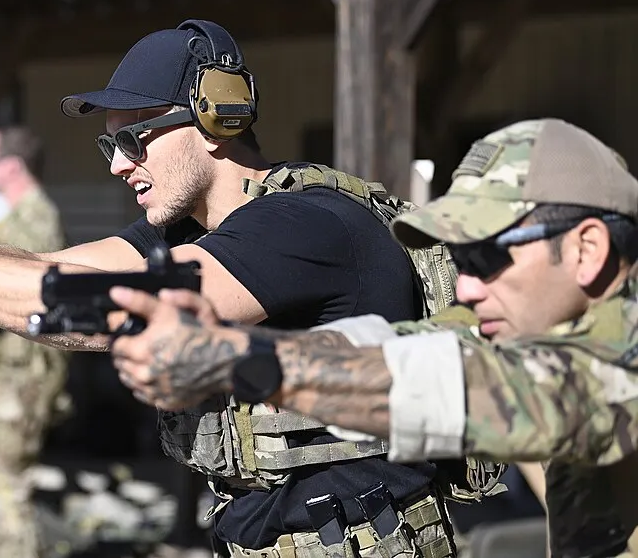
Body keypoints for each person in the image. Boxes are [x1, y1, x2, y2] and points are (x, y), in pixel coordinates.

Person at [0, 19, 471, 558]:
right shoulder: (190, 227)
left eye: (139, 138)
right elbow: (46, 270)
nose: (121, 164)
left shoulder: (302, 225)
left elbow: (110, 309)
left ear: (218, 120)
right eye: (111, 145)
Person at [107, 118, 638, 558]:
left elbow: (439, 384)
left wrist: (234, 359)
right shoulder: (538, 326)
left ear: (587, 250)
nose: (468, 286)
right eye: (460, 258)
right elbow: (394, 352)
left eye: (487, 256)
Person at [0, 126, 69, 558]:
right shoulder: (18, 218)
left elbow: (21, 299)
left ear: (13, 166)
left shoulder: (33, 220)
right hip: (4, 373)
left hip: (16, 376)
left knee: (0, 485)